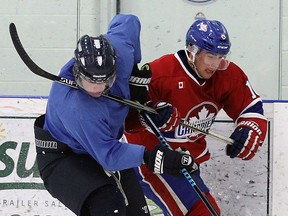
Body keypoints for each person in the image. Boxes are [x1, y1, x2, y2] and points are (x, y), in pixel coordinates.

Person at [33, 14, 197, 216]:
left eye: (106, 82)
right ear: (77, 73)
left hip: (101, 144)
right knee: (109, 206)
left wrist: (134, 71)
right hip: (64, 157)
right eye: (90, 83)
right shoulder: (76, 108)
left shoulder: (121, 51)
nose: (98, 89)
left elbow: (129, 21)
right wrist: (150, 156)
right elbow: (110, 156)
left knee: (138, 212)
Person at [125, 18, 268, 215]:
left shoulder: (227, 75)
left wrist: (249, 130)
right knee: (201, 212)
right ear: (192, 50)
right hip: (152, 161)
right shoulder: (160, 73)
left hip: (186, 164)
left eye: (220, 56)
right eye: (210, 56)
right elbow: (127, 118)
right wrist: (150, 112)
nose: (215, 64)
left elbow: (251, 109)